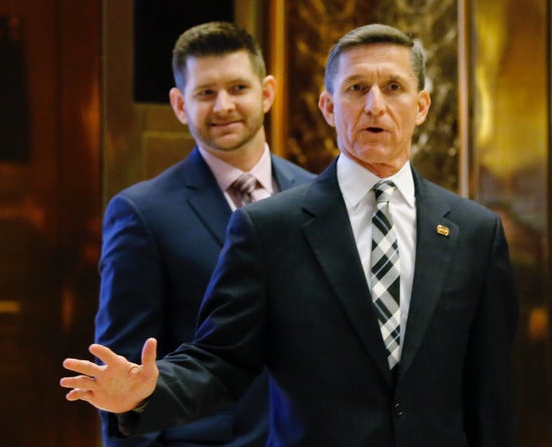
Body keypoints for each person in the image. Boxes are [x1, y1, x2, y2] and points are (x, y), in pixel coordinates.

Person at [62, 24, 518, 446]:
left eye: (393, 87)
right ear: (327, 106)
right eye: (356, 88)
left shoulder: (475, 230)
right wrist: (146, 395)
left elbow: (490, 387)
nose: (374, 105)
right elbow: (222, 361)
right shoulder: (269, 227)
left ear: (421, 106)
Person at [92, 21, 315, 446]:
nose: (224, 106)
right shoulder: (142, 212)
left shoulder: (318, 195)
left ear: (267, 93)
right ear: (179, 104)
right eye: (205, 93)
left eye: (238, 88)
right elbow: (121, 380)